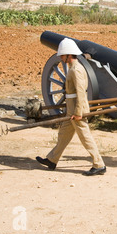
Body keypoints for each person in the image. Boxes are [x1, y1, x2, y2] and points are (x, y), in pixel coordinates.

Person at [36, 38, 106, 176]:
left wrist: (78, 112)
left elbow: (80, 91)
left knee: (85, 136)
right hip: (71, 107)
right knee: (63, 135)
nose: (61, 57)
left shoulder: (76, 70)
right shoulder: (74, 68)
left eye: (62, 55)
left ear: (69, 55)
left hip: (76, 108)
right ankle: (52, 160)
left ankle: (99, 164)